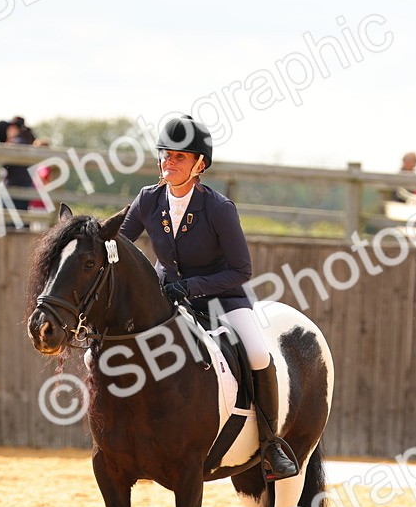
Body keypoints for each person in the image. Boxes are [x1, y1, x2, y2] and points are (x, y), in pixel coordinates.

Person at [116, 115, 298, 481]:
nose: (169, 162)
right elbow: (118, 243)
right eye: (165, 154)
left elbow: (240, 270)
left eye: (179, 157)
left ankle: (271, 444)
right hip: (167, 299)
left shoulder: (218, 209)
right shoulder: (148, 200)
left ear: (199, 164)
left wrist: (191, 287)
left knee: (259, 355)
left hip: (223, 299)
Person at [0, 116, 36, 211]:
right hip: (24, 185)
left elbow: (4, 162)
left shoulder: (16, 141)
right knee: (22, 219)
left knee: (8, 221)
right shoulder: (27, 139)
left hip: (13, 185)